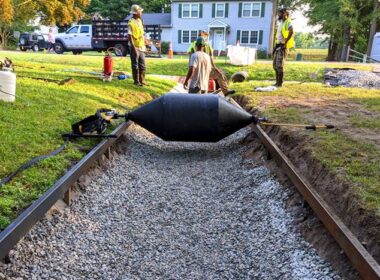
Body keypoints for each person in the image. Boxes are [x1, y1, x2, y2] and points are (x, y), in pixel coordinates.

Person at [187, 30, 235, 96]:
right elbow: (190, 54)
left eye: (205, 36)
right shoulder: (194, 44)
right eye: (203, 36)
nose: (204, 37)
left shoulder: (207, 45)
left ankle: (225, 91)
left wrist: (214, 68)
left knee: (219, 75)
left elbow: (210, 57)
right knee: (202, 80)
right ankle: (224, 91)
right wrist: (190, 69)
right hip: (198, 67)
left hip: (205, 67)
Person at [273, 8, 294, 87]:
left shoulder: (288, 22)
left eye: (279, 13)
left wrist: (286, 42)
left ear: (284, 13)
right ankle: (277, 82)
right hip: (278, 45)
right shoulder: (281, 22)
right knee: (275, 65)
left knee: (279, 65)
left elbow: (291, 31)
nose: (278, 15)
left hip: (283, 46)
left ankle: (280, 83)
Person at [128, 4, 148, 86]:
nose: (141, 13)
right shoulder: (130, 23)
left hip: (141, 46)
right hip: (134, 46)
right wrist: (134, 48)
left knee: (142, 65)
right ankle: (136, 81)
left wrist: (145, 42)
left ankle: (142, 81)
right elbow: (130, 36)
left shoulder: (140, 21)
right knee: (135, 65)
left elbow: (142, 34)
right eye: (140, 12)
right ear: (136, 13)